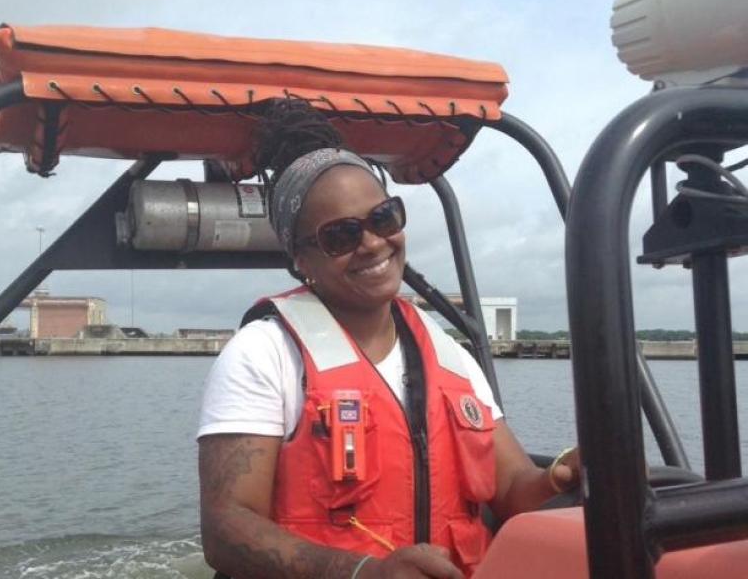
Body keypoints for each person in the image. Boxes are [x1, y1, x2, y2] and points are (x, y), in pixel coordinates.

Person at [197, 99, 580, 579]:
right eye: (341, 235)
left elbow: (512, 488)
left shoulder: (449, 355)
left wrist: (560, 476)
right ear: (301, 260)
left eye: (383, 218)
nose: (373, 243)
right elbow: (225, 528)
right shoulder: (263, 354)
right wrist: (363, 572)